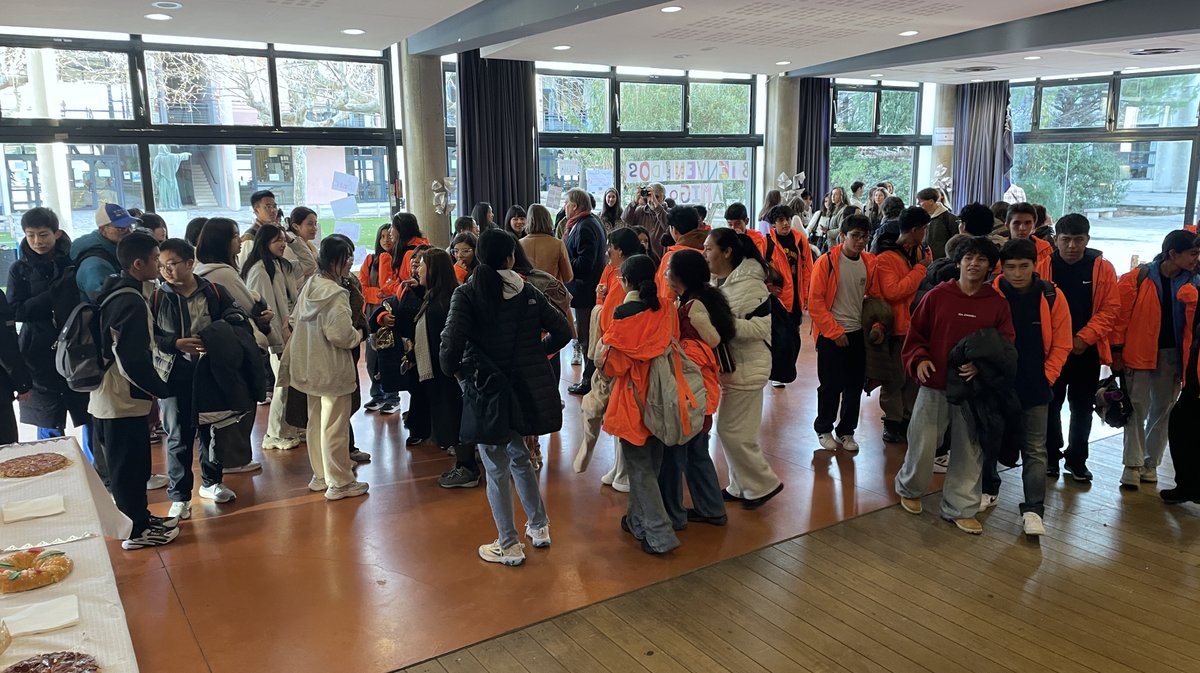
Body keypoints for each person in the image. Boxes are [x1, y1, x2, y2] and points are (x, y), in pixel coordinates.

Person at [440, 230, 571, 566]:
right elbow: (563, 331)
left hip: (486, 391)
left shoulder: (467, 294)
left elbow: (450, 347)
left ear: (479, 256)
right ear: (511, 257)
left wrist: (460, 375)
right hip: (522, 388)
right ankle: (539, 526)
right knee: (519, 456)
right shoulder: (528, 291)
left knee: (496, 466)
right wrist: (535, 355)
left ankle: (509, 544)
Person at [894, 237, 1014, 535]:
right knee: (922, 442)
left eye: (981, 259)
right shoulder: (937, 296)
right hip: (934, 383)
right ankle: (909, 488)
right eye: (969, 257)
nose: (974, 263)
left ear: (990, 266)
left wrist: (980, 368)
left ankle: (960, 507)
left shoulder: (997, 304)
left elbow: (1004, 345)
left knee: (968, 448)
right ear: (959, 261)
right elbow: (916, 335)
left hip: (973, 391)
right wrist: (919, 359)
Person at [90, 233, 178, 549]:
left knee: (136, 463)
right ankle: (135, 531)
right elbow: (130, 358)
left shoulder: (117, 289)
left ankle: (139, 516)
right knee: (126, 468)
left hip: (115, 396)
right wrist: (159, 389)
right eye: (156, 258)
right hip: (120, 398)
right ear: (138, 263)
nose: (160, 264)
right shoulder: (129, 300)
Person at [978, 238, 1070, 536]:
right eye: (1010, 267)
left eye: (1024, 266)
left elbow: (1062, 341)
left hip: (1035, 384)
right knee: (989, 441)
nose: (1017, 273)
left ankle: (1033, 509)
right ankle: (988, 489)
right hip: (995, 383)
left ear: (1035, 265)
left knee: (1035, 450)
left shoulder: (1052, 296)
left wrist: (1048, 376)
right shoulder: (989, 293)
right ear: (1001, 268)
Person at [153, 238, 247, 519]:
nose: (166, 271)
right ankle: (180, 496)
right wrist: (175, 343)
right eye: (161, 266)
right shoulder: (157, 296)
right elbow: (151, 336)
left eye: (171, 264)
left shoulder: (214, 291)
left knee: (211, 428)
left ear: (189, 263)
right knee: (178, 435)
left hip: (209, 370)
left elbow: (235, 315)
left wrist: (219, 333)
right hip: (172, 373)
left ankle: (211, 482)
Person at [601, 254, 682, 555]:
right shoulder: (666, 310)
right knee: (652, 461)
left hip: (633, 400)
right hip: (664, 397)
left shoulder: (623, 314)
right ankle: (637, 520)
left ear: (624, 282)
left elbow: (613, 366)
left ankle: (660, 534)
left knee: (639, 467)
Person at [280, 237, 368, 501]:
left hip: (308, 366)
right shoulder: (336, 294)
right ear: (334, 260)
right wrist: (360, 334)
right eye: (347, 256)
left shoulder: (311, 285)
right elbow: (340, 334)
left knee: (316, 422)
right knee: (335, 427)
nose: (350, 261)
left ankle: (321, 475)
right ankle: (340, 482)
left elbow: (293, 320)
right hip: (331, 368)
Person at [1111, 229, 1200, 489]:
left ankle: (1151, 464)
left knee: (1164, 409)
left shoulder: (1195, 281)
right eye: (1193, 254)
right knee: (1135, 408)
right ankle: (1132, 465)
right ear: (1173, 254)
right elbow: (1119, 319)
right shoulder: (1138, 278)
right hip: (1137, 352)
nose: (1197, 259)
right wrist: (1116, 353)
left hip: (1176, 356)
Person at [703, 228, 784, 509]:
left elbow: (762, 328)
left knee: (733, 432)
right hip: (734, 367)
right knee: (731, 430)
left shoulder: (751, 285)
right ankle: (741, 486)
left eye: (709, 248)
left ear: (727, 252)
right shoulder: (718, 283)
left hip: (750, 367)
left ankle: (763, 484)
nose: (705, 254)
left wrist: (724, 325)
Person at [1042, 214, 1120, 481]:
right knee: (1049, 405)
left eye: (1078, 240)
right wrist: (1059, 341)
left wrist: (1084, 338)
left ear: (1087, 239)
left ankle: (1077, 460)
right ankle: (1051, 457)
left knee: (1082, 407)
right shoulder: (1043, 266)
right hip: (1052, 350)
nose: (1072, 246)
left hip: (1085, 351)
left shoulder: (1102, 268)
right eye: (1066, 240)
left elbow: (1111, 309)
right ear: (1056, 240)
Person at [658, 249, 733, 529]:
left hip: (694, 392)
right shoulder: (696, 300)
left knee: (683, 453)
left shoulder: (694, 307)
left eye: (669, 271)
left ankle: (678, 514)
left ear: (681, 276)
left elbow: (712, 340)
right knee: (696, 453)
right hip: (700, 392)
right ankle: (711, 508)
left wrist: (686, 351)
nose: (665, 276)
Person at [193, 218, 272, 473]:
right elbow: (248, 305)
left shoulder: (201, 268)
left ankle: (225, 458)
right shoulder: (223, 272)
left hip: (216, 345)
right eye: (235, 236)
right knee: (239, 401)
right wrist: (259, 303)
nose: (240, 241)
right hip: (236, 344)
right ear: (222, 241)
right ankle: (234, 459)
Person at [573, 227, 645, 492]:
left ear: (621, 251)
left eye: (611, 248)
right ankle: (619, 466)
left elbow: (615, 319)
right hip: (613, 356)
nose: (607, 253)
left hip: (621, 359)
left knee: (624, 416)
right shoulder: (616, 273)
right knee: (614, 413)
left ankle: (625, 472)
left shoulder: (627, 277)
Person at [9, 208, 88, 444]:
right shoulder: (19, 269)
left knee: (88, 414)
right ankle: (54, 477)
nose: (37, 241)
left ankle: (98, 473)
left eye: (43, 234)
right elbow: (15, 310)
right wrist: (51, 296)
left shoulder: (73, 263)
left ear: (57, 233)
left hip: (76, 347)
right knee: (48, 421)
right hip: (38, 353)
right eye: (31, 235)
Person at [808, 215, 878, 452]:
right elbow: (815, 302)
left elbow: (873, 297)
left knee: (855, 386)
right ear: (843, 236)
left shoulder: (869, 262)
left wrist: (876, 324)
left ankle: (847, 431)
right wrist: (834, 331)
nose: (860, 241)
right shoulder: (827, 262)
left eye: (864, 236)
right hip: (831, 334)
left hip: (857, 333)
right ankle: (824, 428)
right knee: (830, 385)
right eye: (855, 236)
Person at [872, 206, 932, 443]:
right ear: (916, 229)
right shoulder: (886, 257)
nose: (926, 233)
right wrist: (920, 270)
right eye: (925, 229)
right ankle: (893, 421)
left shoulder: (918, 252)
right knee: (894, 378)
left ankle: (908, 418)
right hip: (895, 327)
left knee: (912, 378)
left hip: (915, 327)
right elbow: (893, 291)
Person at [243, 224, 303, 450]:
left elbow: (308, 264)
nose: (283, 243)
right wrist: (277, 341)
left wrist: (294, 240)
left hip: (291, 333)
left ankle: (292, 427)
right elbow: (265, 311)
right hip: (277, 337)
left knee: (292, 383)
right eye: (277, 240)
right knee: (283, 385)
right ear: (264, 242)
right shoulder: (259, 270)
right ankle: (275, 433)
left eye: (283, 239)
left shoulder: (280, 264)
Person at [564, 188, 607, 396]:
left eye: (567, 203)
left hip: (585, 291)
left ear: (575, 206)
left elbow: (583, 264)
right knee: (586, 337)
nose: (565, 207)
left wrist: (563, 259)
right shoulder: (588, 222)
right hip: (586, 290)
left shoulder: (585, 226)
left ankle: (588, 380)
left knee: (586, 338)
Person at [360, 223, 401, 413]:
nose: (386, 240)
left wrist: (384, 294)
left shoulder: (399, 260)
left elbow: (394, 287)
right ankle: (376, 394)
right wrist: (377, 295)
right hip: (372, 312)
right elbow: (362, 286)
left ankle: (392, 396)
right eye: (382, 236)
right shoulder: (370, 260)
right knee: (371, 356)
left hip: (391, 311)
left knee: (389, 355)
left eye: (390, 236)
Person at [519, 204, 573, 285]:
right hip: (551, 294)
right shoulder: (558, 244)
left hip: (527, 294)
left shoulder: (519, 244)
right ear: (548, 220)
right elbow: (568, 277)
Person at [1004, 202, 1053, 278]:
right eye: (1017, 223)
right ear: (1007, 225)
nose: (1022, 228)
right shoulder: (999, 248)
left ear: (1034, 225)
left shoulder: (1045, 248)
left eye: (1028, 223)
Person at [623, 183, 670, 257]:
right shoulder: (640, 211)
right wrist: (634, 202)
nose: (652, 199)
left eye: (656, 196)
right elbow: (625, 218)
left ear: (663, 198)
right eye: (650, 196)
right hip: (643, 257)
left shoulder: (669, 212)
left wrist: (657, 207)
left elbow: (669, 227)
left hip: (662, 258)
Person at [238, 190, 279, 266]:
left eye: (274, 206)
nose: (273, 210)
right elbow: (244, 266)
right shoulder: (250, 237)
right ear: (256, 210)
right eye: (268, 207)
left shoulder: (275, 231)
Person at [917, 187, 958, 259]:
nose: (918, 204)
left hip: (942, 263)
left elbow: (955, 243)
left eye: (921, 201)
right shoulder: (921, 218)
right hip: (924, 261)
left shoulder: (950, 219)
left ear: (931, 201)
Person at [283, 206, 319, 283]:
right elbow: (294, 280)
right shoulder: (289, 247)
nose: (315, 228)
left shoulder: (308, 243)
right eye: (310, 224)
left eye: (315, 223)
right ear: (296, 226)